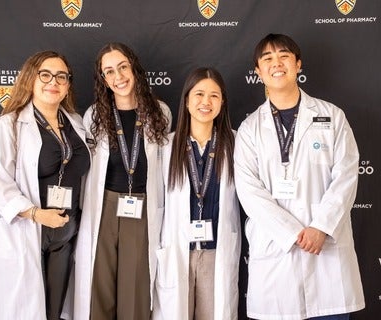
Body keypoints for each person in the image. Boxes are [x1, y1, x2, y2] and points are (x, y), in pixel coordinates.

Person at [234, 33, 365, 319]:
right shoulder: (249, 129)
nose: (276, 63)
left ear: (298, 65)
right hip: (276, 255)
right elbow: (248, 191)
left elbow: (346, 175)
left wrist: (321, 227)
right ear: (258, 72)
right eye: (267, 59)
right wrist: (292, 233)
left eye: (284, 56)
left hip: (326, 254)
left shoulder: (332, 116)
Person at [0, 50, 90, 320]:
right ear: (31, 79)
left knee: (54, 311)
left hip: (65, 237)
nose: (53, 82)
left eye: (61, 77)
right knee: (24, 311)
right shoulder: (8, 126)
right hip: (27, 231)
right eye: (45, 74)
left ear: (67, 86)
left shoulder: (76, 125)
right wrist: (36, 214)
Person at [72, 42, 172, 320]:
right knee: (99, 288)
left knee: (136, 292)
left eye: (123, 67)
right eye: (109, 71)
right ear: (103, 79)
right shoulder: (95, 115)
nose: (119, 77)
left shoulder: (160, 111)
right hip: (103, 208)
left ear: (134, 68)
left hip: (141, 208)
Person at [153, 67, 241, 320]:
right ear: (187, 100)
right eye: (199, 94)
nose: (206, 102)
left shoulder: (235, 144)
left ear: (222, 102)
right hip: (177, 250)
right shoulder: (165, 147)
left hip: (217, 252)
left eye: (214, 96)